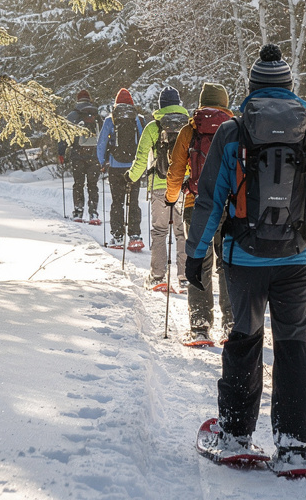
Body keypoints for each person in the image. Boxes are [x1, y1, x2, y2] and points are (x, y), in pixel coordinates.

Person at [186, 44, 306, 474]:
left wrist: (195, 254)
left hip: (243, 258)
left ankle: (237, 435)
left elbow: (210, 200)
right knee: (293, 345)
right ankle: (294, 445)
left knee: (244, 340)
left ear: (253, 89)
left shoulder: (232, 134)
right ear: (290, 89)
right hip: (299, 261)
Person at [164, 81, 235, 344]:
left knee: (199, 264)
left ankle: (200, 325)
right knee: (228, 265)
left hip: (197, 206)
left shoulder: (190, 130)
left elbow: (176, 169)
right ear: (225, 103)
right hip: (230, 206)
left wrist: (172, 198)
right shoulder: (235, 128)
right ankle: (231, 325)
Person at [127, 87, 191, 289]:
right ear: (178, 103)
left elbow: (140, 158)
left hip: (159, 186)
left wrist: (131, 177)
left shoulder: (153, 127)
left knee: (160, 231)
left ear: (161, 105)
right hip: (183, 185)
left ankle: (157, 276)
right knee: (183, 232)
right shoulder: (188, 126)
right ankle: (185, 276)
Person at [98, 88, 145, 249]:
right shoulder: (138, 119)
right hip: (134, 168)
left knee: (117, 202)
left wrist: (102, 163)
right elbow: (143, 143)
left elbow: (101, 143)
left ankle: (117, 237)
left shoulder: (110, 120)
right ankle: (135, 236)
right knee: (133, 202)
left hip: (115, 167)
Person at [61, 90, 102, 225]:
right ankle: (93, 213)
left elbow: (63, 135)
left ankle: (78, 211)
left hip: (77, 155)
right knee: (93, 184)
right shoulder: (97, 115)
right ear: (89, 99)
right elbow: (103, 135)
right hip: (94, 155)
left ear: (77, 100)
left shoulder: (72, 115)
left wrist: (61, 152)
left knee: (78, 184)